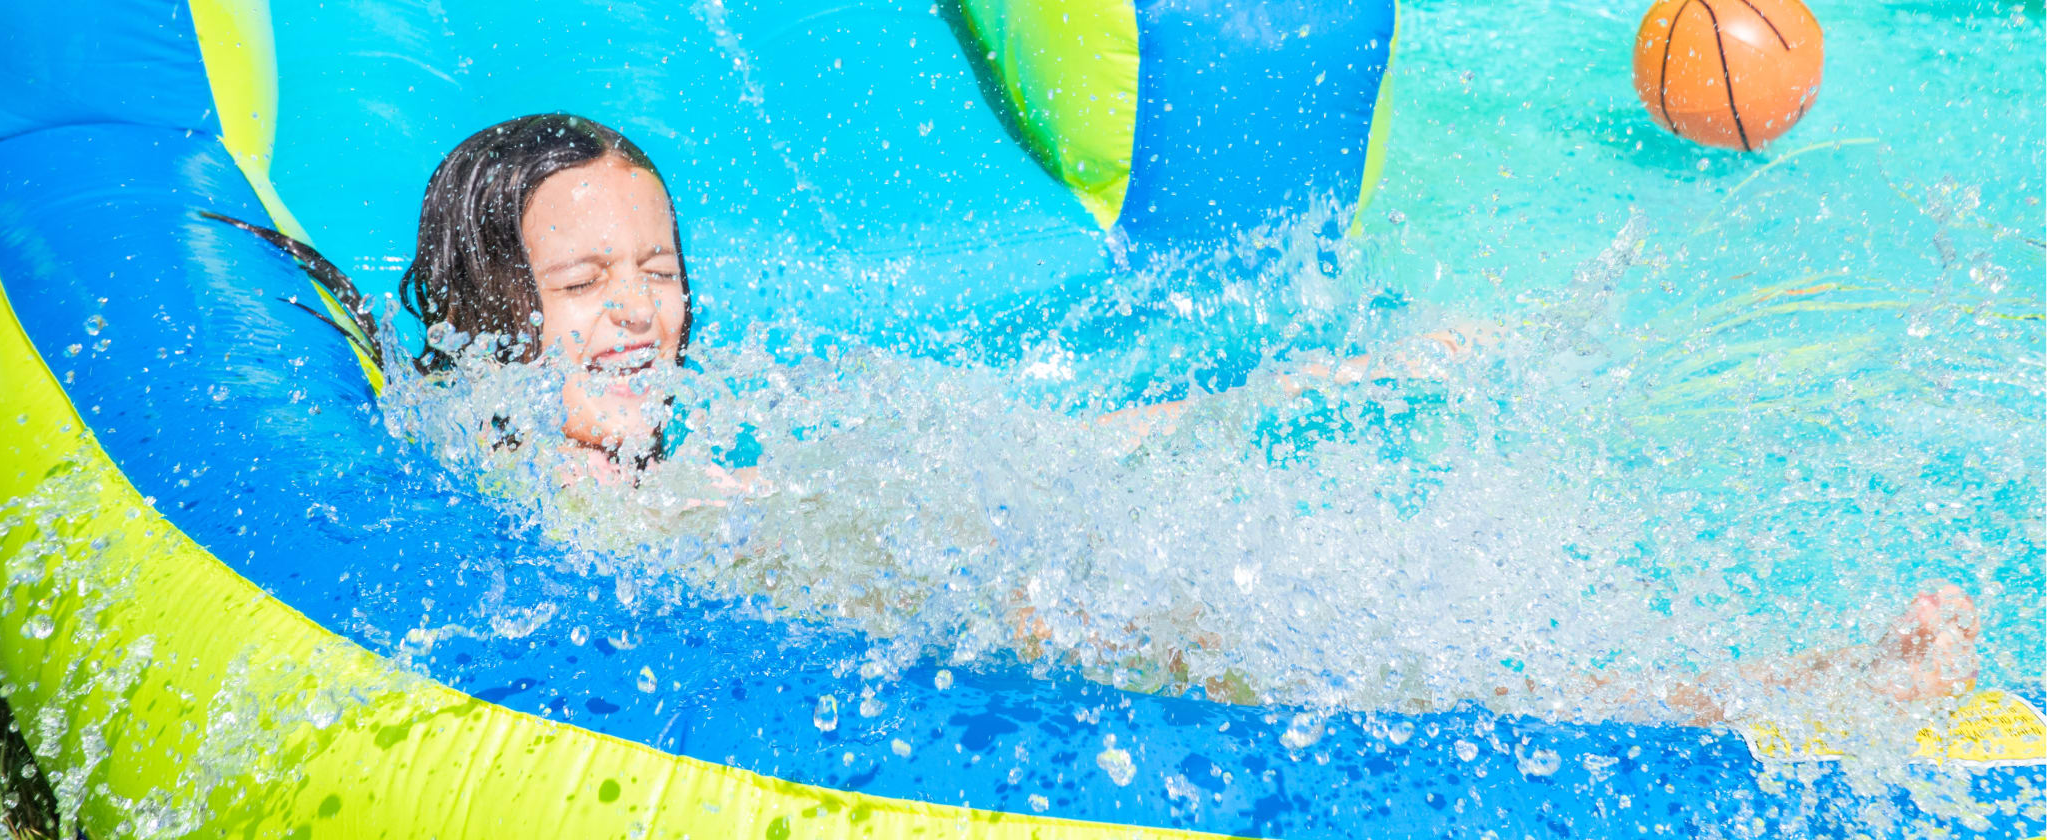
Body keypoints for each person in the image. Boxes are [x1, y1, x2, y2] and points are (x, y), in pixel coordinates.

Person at [217, 112, 1981, 724]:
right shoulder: (513, 474)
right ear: (489, 308)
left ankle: (1763, 689)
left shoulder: (717, 440)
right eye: (584, 282)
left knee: (1305, 597)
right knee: (1320, 660)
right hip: (927, 611)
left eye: (658, 270)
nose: (636, 313)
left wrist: (1301, 390)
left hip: (953, 570)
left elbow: (982, 452)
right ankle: (1776, 694)